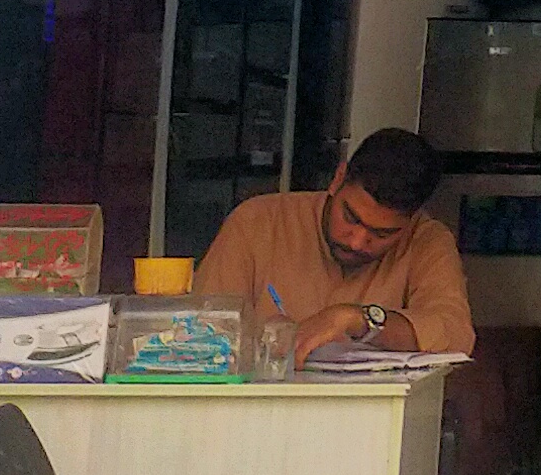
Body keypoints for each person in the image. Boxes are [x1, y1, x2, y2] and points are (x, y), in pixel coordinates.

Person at [196, 128, 476, 367]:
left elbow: (456, 334)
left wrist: (357, 319)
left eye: (382, 233)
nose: (357, 241)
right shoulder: (256, 222)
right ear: (338, 179)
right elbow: (201, 333)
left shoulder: (426, 239)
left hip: (370, 413)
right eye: (350, 217)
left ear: (412, 219)